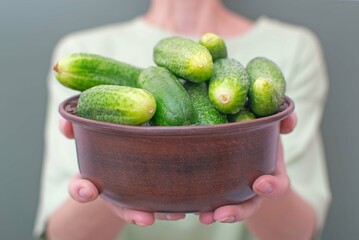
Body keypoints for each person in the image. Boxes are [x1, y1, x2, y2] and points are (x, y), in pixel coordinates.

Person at [34, 0, 331, 239]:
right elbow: (61, 234)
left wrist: (259, 170)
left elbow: (300, 233)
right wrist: (106, 178)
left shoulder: (293, 47)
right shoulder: (79, 49)